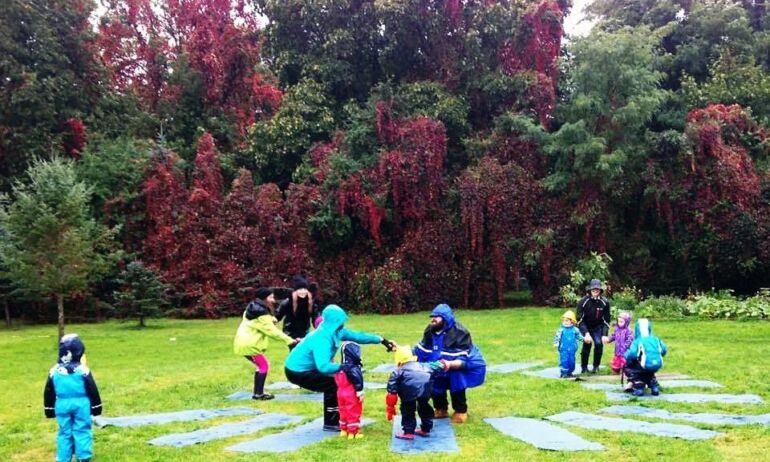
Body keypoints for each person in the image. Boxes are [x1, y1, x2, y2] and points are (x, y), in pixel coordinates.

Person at [284, 304, 396, 431]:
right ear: (334, 321)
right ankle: (331, 423)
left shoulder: (335, 331)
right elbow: (324, 367)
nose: (343, 324)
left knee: (338, 381)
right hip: (297, 371)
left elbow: (357, 336)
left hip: (308, 367)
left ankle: (341, 417)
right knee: (333, 384)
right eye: (340, 321)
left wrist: (381, 340)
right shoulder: (322, 338)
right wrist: (345, 367)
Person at [414, 304, 486, 423]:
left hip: (454, 367)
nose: (433, 319)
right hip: (436, 365)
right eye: (433, 316)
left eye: (437, 317)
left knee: (457, 382)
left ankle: (460, 410)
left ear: (445, 318)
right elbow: (421, 349)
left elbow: (463, 358)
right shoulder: (430, 330)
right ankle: (441, 409)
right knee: (434, 384)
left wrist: (450, 364)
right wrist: (403, 352)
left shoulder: (460, 332)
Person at [44, 334, 102, 462]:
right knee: (82, 428)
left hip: (61, 404)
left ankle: (63, 458)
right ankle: (83, 456)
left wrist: (49, 408)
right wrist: (97, 407)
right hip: (81, 404)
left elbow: (49, 390)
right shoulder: (83, 370)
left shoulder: (54, 370)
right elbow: (92, 389)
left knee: (64, 431)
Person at [234, 287, 299, 400]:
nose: (273, 299)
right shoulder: (261, 314)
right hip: (250, 345)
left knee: (261, 366)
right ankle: (258, 394)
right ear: (265, 298)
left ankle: (258, 392)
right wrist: (290, 340)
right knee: (263, 365)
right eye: (271, 297)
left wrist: (272, 319)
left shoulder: (252, 308)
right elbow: (271, 331)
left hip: (243, 342)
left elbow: (261, 321)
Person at [386, 346, 448, 440]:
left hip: (407, 393)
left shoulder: (397, 372)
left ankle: (408, 432)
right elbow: (439, 365)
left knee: (408, 410)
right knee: (424, 407)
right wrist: (443, 364)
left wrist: (390, 407)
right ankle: (426, 428)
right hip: (425, 391)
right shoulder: (425, 366)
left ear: (398, 362)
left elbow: (392, 391)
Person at [624, 318, 667, 396]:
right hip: (656, 365)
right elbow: (664, 350)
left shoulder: (637, 341)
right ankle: (654, 386)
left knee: (630, 368)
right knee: (649, 372)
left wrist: (626, 355)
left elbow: (632, 354)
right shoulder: (656, 339)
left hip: (642, 366)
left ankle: (639, 386)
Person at [576, 279, 611, 374]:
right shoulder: (582, 302)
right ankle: (584, 367)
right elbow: (579, 320)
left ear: (600, 291)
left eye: (597, 289)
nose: (595, 291)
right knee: (587, 344)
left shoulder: (605, 302)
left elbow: (606, 320)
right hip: (585, 326)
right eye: (593, 289)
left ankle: (596, 366)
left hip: (597, 327)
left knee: (599, 344)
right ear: (590, 290)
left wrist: (604, 334)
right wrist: (586, 333)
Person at [275, 275, 321, 347]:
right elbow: (278, 315)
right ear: (296, 290)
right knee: (295, 351)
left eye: (304, 289)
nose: (302, 292)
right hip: (290, 332)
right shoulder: (288, 302)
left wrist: (320, 325)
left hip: (304, 331)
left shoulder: (310, 303)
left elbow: (315, 317)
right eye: (300, 289)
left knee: (305, 352)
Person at [335, 342, 364, 439]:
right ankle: (353, 432)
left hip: (340, 393)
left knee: (343, 410)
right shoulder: (354, 368)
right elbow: (358, 381)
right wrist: (360, 392)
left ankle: (343, 429)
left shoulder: (340, 367)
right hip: (351, 393)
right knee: (353, 411)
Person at [604, 312, 634, 380]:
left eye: (621, 321)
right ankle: (616, 372)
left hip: (625, 352)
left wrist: (625, 346)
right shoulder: (617, 329)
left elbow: (630, 340)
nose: (619, 323)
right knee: (616, 362)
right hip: (617, 351)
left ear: (626, 322)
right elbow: (613, 336)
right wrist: (608, 339)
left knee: (625, 363)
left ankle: (626, 373)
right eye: (618, 321)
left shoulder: (628, 331)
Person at [553, 310, 583, 378]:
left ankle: (570, 372)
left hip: (572, 349)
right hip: (563, 348)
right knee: (564, 361)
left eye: (567, 320)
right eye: (563, 321)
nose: (565, 322)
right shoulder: (561, 330)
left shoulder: (575, 330)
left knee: (572, 361)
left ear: (572, 321)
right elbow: (557, 337)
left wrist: (584, 339)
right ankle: (563, 373)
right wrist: (556, 344)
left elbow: (579, 336)